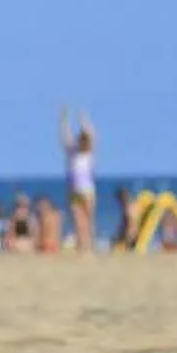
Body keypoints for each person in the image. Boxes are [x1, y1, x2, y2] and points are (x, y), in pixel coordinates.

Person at [61, 108, 99, 252]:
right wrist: (64, 120)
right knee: (79, 221)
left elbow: (92, 135)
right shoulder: (73, 152)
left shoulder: (88, 154)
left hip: (86, 191)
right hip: (76, 191)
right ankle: (82, 246)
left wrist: (84, 121)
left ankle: (90, 246)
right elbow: (66, 136)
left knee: (88, 220)